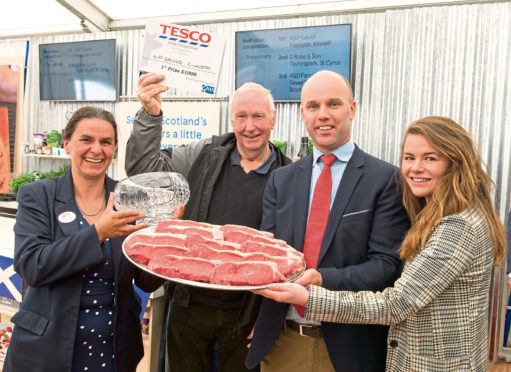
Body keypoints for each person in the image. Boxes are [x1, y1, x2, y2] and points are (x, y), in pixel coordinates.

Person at [254, 116, 506, 372]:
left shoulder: (457, 227)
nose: (415, 168)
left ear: (455, 163)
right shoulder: (439, 213)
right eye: (409, 158)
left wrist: (310, 298)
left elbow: (396, 304)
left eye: (430, 158)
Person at [125, 72, 292, 372]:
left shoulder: (290, 175)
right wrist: (150, 114)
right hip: (190, 308)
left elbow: (291, 255)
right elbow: (144, 171)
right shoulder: (202, 155)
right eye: (241, 116)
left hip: (246, 315)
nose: (249, 126)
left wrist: (268, 319)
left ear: (273, 119)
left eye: (258, 116)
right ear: (231, 120)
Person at [245, 70, 410, 372]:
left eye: (333, 104)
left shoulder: (385, 179)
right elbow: (265, 255)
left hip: (349, 345)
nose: (323, 115)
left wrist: (321, 279)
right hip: (283, 342)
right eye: (313, 106)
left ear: (352, 109)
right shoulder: (281, 180)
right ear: (302, 114)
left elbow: (386, 266)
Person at [4, 106, 164, 372]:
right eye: (86, 140)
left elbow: (146, 280)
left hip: (113, 352)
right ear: (67, 144)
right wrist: (98, 232)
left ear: (114, 149)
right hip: (46, 353)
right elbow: (32, 266)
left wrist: (164, 238)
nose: (96, 149)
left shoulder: (129, 198)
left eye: (106, 142)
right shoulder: (38, 196)